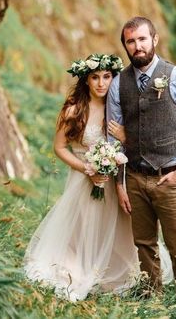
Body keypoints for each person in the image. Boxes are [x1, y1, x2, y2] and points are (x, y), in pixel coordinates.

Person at [107, 16, 176, 311]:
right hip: (135, 177)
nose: (137, 46)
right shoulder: (118, 84)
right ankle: (152, 296)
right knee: (144, 243)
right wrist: (120, 184)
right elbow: (114, 141)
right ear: (125, 45)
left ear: (155, 40)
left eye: (142, 39)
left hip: (170, 175)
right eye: (130, 41)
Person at [24, 53, 140, 302]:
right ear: (85, 80)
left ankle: (112, 270)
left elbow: (133, 145)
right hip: (85, 179)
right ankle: (80, 267)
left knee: (117, 225)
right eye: (95, 77)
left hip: (114, 181)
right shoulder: (74, 109)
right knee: (85, 225)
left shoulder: (118, 108)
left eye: (107, 77)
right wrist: (87, 168)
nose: (101, 83)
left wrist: (124, 137)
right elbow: (60, 148)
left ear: (114, 78)